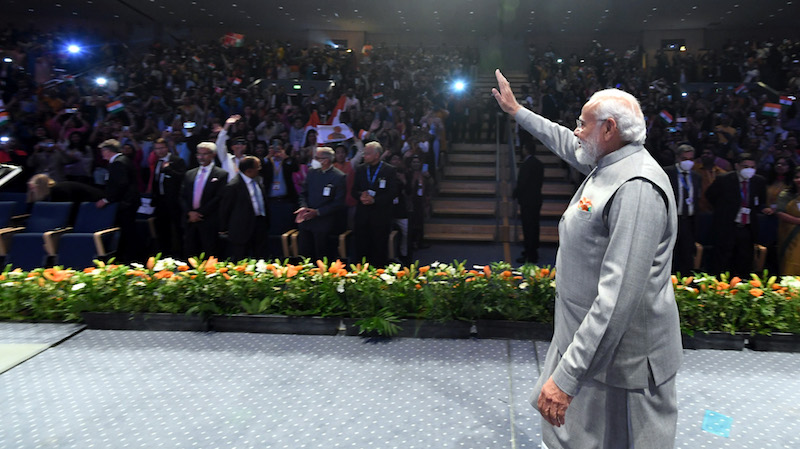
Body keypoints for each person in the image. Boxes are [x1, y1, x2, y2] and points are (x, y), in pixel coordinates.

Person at [492, 69, 682, 449]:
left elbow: (616, 301)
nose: (576, 130)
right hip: (588, 347)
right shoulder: (610, 163)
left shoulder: (637, 188)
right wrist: (517, 111)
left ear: (609, 129)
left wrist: (567, 378)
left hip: (620, 364)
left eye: (583, 123)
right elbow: (566, 142)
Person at [705, 153, 770, 275]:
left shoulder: (759, 181)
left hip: (747, 227)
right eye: (745, 166)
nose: (749, 170)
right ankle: (719, 286)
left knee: (744, 259)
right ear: (737, 166)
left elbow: (760, 201)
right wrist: (724, 209)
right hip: (727, 225)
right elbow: (710, 196)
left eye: (752, 167)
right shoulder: (724, 179)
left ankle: (741, 285)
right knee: (722, 259)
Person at [351, 141, 399, 267]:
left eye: (367, 154)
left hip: (380, 217)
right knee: (361, 249)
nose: (364, 156)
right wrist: (361, 195)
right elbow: (353, 190)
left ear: (376, 155)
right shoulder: (361, 169)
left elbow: (393, 192)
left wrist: (375, 200)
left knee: (379, 250)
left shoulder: (389, 170)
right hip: (362, 217)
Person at [295, 147, 346, 261]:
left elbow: (338, 202)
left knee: (322, 255)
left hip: (324, 222)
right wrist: (303, 207)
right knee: (305, 255)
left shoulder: (339, 177)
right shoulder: (312, 172)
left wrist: (317, 212)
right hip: (306, 220)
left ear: (326, 160)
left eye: (317, 158)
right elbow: (303, 193)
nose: (314, 160)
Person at [180, 142, 229, 258]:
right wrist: (189, 213)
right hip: (190, 220)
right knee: (190, 252)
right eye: (199, 154)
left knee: (210, 253)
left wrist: (200, 213)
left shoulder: (221, 174)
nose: (201, 157)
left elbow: (218, 197)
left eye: (205, 154)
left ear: (213, 155)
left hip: (208, 220)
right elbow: (182, 196)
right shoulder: (190, 174)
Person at [95, 139, 140, 262]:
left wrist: (106, 199)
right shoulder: (123, 160)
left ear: (108, 151)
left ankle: (128, 258)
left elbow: (121, 184)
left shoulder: (118, 163)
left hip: (126, 203)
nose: (102, 154)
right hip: (129, 202)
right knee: (127, 231)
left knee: (127, 231)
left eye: (102, 151)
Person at [218, 156, 269, 261]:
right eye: (257, 167)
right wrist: (224, 228)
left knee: (261, 257)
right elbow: (225, 209)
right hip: (241, 229)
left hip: (259, 224)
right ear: (249, 170)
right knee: (241, 259)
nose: (260, 169)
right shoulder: (233, 186)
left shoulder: (258, 180)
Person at [664, 144, 703, 274]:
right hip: (671, 220)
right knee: (671, 253)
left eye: (691, 159)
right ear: (677, 158)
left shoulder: (696, 176)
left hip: (689, 220)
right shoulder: (667, 173)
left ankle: (686, 282)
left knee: (687, 253)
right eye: (684, 158)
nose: (688, 162)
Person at [148, 138, 187, 257]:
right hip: (160, 201)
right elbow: (155, 181)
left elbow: (183, 178)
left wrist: (168, 170)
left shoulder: (177, 160)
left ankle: (180, 254)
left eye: (161, 148)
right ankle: (164, 254)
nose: (159, 151)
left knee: (177, 228)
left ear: (167, 148)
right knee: (162, 228)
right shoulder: (157, 162)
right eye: (156, 148)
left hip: (174, 201)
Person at [514, 141, 544, 264]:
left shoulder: (526, 164)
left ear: (526, 149)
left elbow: (523, 183)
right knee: (535, 226)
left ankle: (530, 253)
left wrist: (515, 193)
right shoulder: (539, 164)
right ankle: (532, 251)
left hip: (527, 200)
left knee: (528, 228)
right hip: (536, 198)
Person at [775, 166, 800, 274]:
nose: (799, 180)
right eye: (797, 177)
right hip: (790, 232)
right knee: (791, 260)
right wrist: (798, 221)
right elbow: (780, 212)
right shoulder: (786, 194)